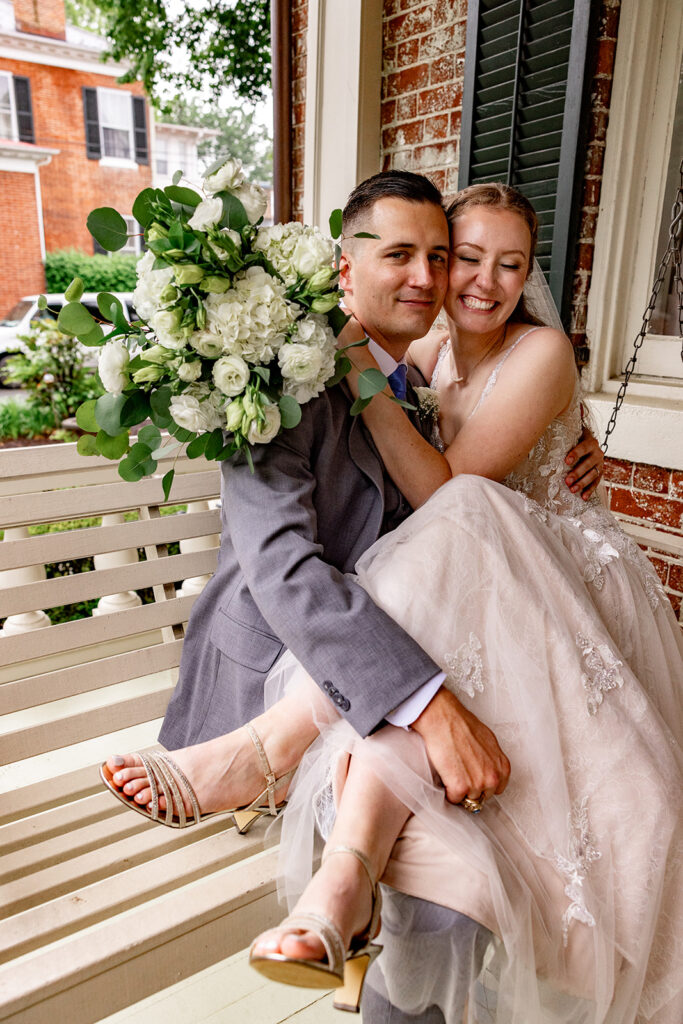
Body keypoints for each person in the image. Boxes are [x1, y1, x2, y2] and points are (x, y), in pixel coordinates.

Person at [100, 172, 604, 1021]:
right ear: (343, 265)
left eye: (438, 257)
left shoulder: (417, 369)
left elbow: (465, 492)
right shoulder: (274, 382)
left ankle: (344, 896)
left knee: (457, 880)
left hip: (418, 670)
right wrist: (428, 704)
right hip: (298, 675)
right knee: (447, 878)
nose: (432, 275)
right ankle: (299, 816)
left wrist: (564, 445)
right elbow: (286, 572)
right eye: (402, 252)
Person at [247, 183, 683, 1024]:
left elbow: (451, 493)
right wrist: (369, 368)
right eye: (464, 258)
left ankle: (280, 750)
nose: (483, 282)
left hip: (558, 591)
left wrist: (364, 378)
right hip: (471, 605)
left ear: (530, 276)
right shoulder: (430, 358)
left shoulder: (543, 349)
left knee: (464, 518)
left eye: (509, 264)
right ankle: (352, 891)